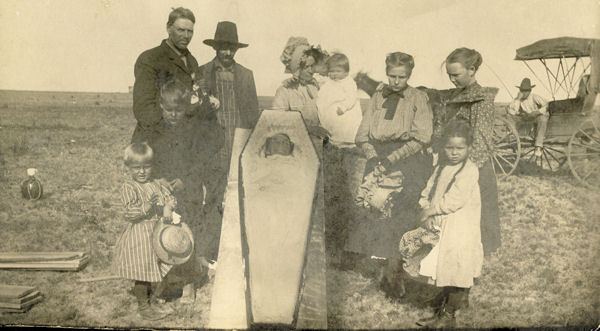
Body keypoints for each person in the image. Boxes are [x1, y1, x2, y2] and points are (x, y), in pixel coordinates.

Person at [346, 52, 433, 294]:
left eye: (401, 77)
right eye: (392, 76)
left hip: (406, 161)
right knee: (374, 211)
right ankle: (381, 266)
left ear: (410, 75)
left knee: (398, 215)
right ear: (386, 73)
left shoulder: (418, 98)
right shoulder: (377, 96)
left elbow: (422, 136)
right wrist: (373, 155)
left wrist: (392, 158)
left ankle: (397, 270)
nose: (396, 81)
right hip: (377, 160)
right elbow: (362, 134)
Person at [145, 79, 223, 304]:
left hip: (188, 192)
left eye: (178, 110)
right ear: (161, 107)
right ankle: (165, 281)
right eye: (168, 110)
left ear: (186, 108)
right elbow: (148, 157)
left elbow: (200, 160)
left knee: (186, 235)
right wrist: (158, 179)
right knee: (163, 234)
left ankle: (189, 283)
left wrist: (185, 180)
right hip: (162, 191)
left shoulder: (193, 129)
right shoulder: (156, 130)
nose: (173, 115)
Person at [401, 120, 483, 328]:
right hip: (443, 224)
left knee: (457, 267)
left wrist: (432, 210)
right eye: (450, 147)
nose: (454, 152)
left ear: (469, 148)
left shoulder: (470, 170)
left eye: (460, 148)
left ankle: (449, 315)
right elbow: (430, 188)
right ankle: (442, 309)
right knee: (444, 266)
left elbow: (456, 199)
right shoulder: (441, 166)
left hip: (460, 226)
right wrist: (425, 205)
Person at [197, 21, 260, 264]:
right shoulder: (202, 73)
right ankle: (208, 252)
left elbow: (253, 115)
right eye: (222, 47)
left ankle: (237, 252)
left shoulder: (246, 75)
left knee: (239, 197)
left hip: (239, 143)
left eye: (231, 48)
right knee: (213, 197)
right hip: (213, 147)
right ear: (216, 48)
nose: (227, 53)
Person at [432, 47, 501, 256]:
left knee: (476, 213)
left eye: (456, 75)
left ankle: (480, 253)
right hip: (451, 160)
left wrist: (463, 171)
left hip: (473, 167)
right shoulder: (452, 96)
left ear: (472, 70)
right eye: (449, 75)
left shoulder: (482, 99)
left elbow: (481, 140)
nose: (452, 80)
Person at [112, 142, 178, 321]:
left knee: (152, 269)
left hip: (156, 234)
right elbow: (130, 213)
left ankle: (151, 299)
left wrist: (169, 205)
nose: (142, 172)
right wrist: (147, 206)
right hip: (140, 236)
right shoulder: (129, 187)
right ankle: (144, 307)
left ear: (152, 166)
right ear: (128, 168)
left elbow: (168, 197)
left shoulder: (156, 184)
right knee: (142, 272)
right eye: (136, 168)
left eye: (146, 167)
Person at [131, 7, 215, 144]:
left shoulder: (192, 61)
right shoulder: (150, 58)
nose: (186, 36)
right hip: (156, 140)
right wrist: (169, 137)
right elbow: (143, 108)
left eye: (190, 31)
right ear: (168, 28)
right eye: (181, 30)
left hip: (183, 143)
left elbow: (194, 98)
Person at [315, 53, 363, 265]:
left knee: (347, 193)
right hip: (332, 139)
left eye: (339, 71)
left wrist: (342, 108)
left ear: (347, 71)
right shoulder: (327, 84)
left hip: (347, 136)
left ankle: (347, 248)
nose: (335, 75)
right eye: (332, 71)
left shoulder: (349, 84)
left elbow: (351, 100)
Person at [272, 36, 330, 136]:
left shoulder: (317, 87)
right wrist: (308, 129)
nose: (311, 71)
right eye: (307, 67)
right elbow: (277, 121)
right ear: (297, 68)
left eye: (312, 66)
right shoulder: (285, 91)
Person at [508, 78, 549, 157]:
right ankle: (514, 138)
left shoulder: (534, 97)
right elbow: (512, 111)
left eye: (526, 91)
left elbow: (547, 105)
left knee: (543, 119)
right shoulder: (519, 99)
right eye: (522, 91)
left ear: (530, 91)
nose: (524, 93)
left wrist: (537, 112)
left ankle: (538, 145)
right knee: (510, 117)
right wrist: (518, 99)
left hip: (536, 117)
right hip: (527, 119)